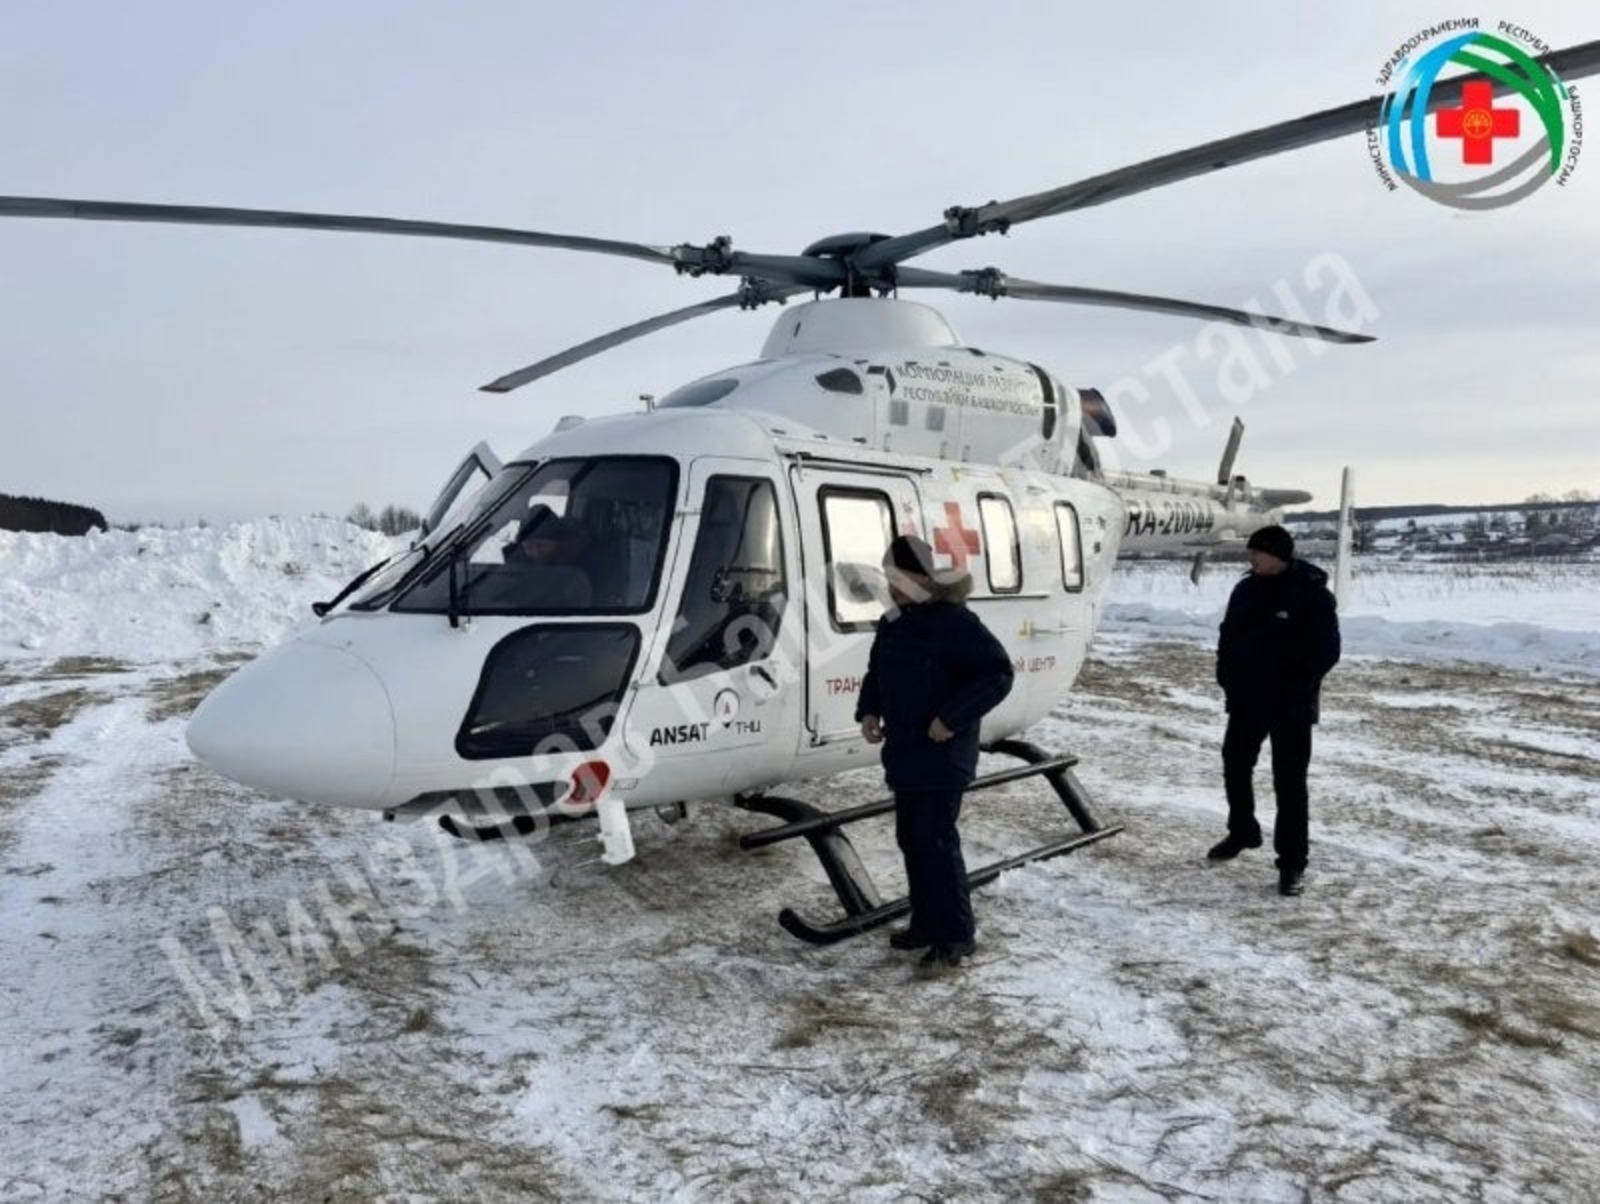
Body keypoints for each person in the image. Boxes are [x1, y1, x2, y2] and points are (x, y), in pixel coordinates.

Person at [856, 535, 1014, 968]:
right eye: (888, 577)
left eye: (899, 578)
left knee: (936, 841)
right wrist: (868, 710)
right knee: (912, 839)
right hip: (906, 752)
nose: (891, 587)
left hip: (944, 754)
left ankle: (956, 935)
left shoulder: (955, 622)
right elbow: (876, 670)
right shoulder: (894, 620)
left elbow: (997, 674)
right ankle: (925, 924)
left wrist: (952, 717)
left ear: (924, 578)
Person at [1210, 524, 1341, 896]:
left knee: (1290, 783)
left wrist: (1297, 686)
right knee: (1235, 764)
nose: (1251, 558)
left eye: (1258, 552)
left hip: (1291, 706)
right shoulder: (1246, 589)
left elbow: (1327, 651)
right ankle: (1242, 831)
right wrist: (1226, 675)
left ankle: (1292, 864)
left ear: (1278, 555)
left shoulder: (1312, 593)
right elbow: (1228, 635)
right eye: (1250, 552)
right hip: (1247, 699)